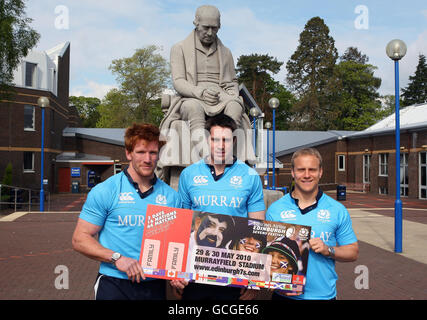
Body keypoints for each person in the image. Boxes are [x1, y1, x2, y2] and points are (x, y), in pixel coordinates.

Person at [72, 123, 181, 300]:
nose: (147, 159)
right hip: (114, 282)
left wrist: (177, 275)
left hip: (154, 286)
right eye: (140, 152)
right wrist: (117, 258)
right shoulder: (106, 190)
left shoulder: (171, 197)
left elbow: (175, 247)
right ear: (128, 153)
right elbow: (79, 239)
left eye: (153, 153)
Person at [171, 113, 265, 300]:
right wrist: (174, 271)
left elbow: (257, 228)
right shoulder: (189, 175)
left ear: (234, 140)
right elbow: (180, 226)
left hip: (234, 273)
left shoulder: (250, 175)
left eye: (226, 140)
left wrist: (255, 279)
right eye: (215, 140)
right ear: (207, 140)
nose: (221, 146)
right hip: (194, 272)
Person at [266, 148, 358, 300]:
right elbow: (264, 254)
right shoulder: (275, 209)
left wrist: (328, 250)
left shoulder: (337, 210)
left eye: (312, 170)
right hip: (283, 295)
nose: (307, 175)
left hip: (323, 296)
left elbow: (353, 252)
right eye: (301, 170)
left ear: (320, 172)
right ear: (293, 173)